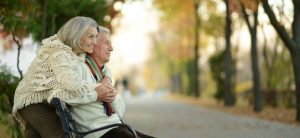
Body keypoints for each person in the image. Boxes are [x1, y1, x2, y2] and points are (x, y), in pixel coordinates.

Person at [12, 16, 114, 138]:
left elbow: (100, 65)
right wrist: (98, 89)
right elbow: (72, 85)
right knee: (60, 135)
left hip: (50, 100)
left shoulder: (77, 52)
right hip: (33, 100)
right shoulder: (58, 52)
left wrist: (107, 78)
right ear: (77, 34)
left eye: (96, 36)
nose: (95, 41)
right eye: (90, 36)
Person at [65, 26, 155, 138]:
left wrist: (112, 96)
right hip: (99, 133)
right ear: (93, 45)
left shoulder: (103, 72)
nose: (111, 48)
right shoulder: (79, 68)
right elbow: (68, 96)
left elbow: (120, 111)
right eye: (106, 43)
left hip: (115, 127)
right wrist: (97, 95)